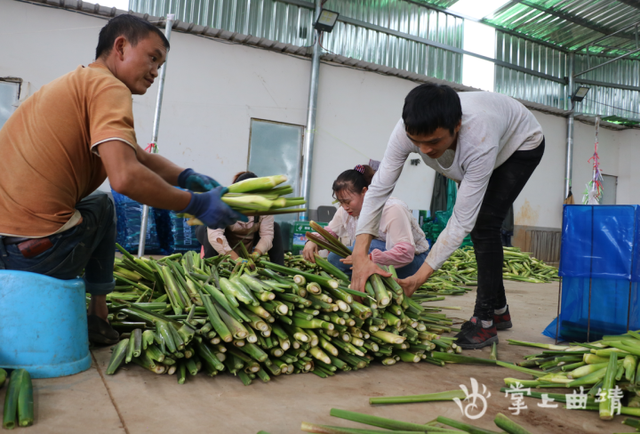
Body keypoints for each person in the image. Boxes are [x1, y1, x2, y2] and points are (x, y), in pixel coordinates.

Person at [0, 16, 245, 345]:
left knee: (94, 202)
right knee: (103, 204)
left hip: (7, 244)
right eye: (153, 58)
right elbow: (126, 177)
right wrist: (196, 203)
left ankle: (96, 315)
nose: (156, 71)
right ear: (120, 47)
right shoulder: (109, 87)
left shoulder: (77, 83)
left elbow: (140, 158)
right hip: (36, 254)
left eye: (160, 64)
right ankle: (97, 317)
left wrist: (188, 177)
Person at [350, 84, 545, 350]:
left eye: (434, 142)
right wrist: (360, 256)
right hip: (487, 139)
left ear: (458, 125)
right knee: (482, 225)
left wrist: (418, 278)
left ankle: (485, 321)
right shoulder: (406, 131)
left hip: (521, 143)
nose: (425, 150)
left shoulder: (478, 139)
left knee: (484, 224)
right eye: (417, 142)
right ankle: (499, 309)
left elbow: (461, 221)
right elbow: (378, 190)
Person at [302, 164, 429, 279]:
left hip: (412, 262)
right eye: (341, 202)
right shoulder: (345, 210)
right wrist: (313, 241)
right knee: (335, 258)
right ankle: (369, 279)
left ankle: (367, 278)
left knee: (357, 245)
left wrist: (368, 259)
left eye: (347, 201)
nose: (344, 207)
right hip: (372, 256)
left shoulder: (392, 209)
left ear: (364, 192)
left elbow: (405, 253)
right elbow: (330, 233)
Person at [196, 171, 285, 265]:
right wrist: (236, 259)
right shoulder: (223, 204)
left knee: (275, 227)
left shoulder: (264, 206)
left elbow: (267, 235)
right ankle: (210, 267)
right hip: (216, 235)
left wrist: (256, 254)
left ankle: (280, 272)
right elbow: (215, 236)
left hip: (247, 237)